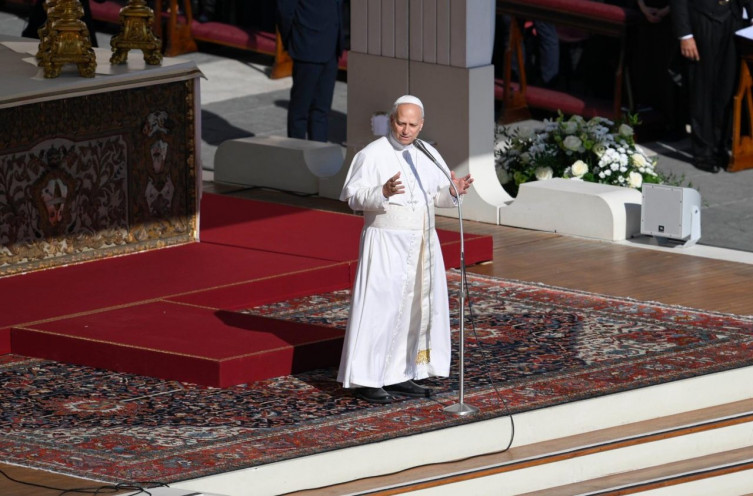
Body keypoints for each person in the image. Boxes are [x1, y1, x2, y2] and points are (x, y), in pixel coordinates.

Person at [337, 95, 474, 404]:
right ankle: (368, 378)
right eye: (401, 123)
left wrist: (454, 191)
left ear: (421, 125)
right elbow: (353, 197)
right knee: (380, 310)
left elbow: (436, 196)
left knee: (414, 309)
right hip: (386, 243)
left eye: (412, 125)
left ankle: (401, 372)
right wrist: (381, 192)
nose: (406, 130)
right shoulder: (372, 154)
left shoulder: (427, 153)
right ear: (391, 120)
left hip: (422, 243)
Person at [670, 0, 753, 172]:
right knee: (702, 90)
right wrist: (685, 35)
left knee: (727, 89)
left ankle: (720, 147)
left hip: (733, 20)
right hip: (702, 20)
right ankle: (703, 153)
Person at [276, 0, 344, 142]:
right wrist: (293, 41)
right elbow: (285, 10)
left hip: (331, 47)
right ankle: (297, 151)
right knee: (300, 109)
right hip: (306, 47)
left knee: (321, 110)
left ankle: (319, 151)